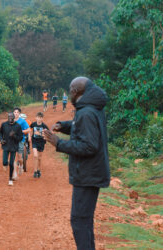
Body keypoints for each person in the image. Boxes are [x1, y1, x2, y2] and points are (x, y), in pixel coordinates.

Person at [44, 77, 110, 250]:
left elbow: (89, 146)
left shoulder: (86, 112)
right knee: (84, 221)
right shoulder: (90, 108)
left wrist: (59, 143)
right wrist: (64, 126)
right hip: (91, 173)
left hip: (87, 174)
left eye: (70, 89)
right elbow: (80, 127)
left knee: (79, 221)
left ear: (74, 92)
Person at [0, 112, 23, 186]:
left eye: (11, 117)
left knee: (12, 163)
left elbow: (20, 138)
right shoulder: (4, 124)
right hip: (5, 146)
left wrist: (14, 136)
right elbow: (0, 132)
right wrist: (1, 140)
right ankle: (6, 164)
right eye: (9, 117)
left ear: (14, 117)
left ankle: (10, 179)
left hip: (14, 147)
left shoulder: (18, 126)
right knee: (4, 162)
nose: (10, 118)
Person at [30, 112, 49, 179]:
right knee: (35, 155)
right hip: (34, 141)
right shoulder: (33, 124)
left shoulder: (44, 126)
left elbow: (48, 134)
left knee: (39, 158)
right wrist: (29, 136)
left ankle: (38, 170)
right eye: (38, 117)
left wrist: (44, 134)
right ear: (36, 117)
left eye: (40, 118)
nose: (39, 119)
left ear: (42, 118)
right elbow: (29, 129)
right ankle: (35, 171)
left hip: (41, 142)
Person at [13, 107, 30, 179]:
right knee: (13, 158)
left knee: (20, 158)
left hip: (20, 140)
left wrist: (21, 131)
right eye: (15, 112)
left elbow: (28, 129)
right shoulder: (11, 121)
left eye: (17, 112)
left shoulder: (22, 121)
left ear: (19, 114)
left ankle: (21, 165)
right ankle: (14, 174)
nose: (16, 113)